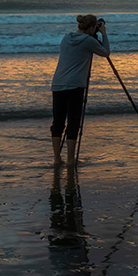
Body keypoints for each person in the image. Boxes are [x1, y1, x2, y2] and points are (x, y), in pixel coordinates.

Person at [51, 14, 111, 164]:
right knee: (73, 122)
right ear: (91, 28)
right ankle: (71, 159)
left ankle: (57, 158)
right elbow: (105, 52)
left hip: (57, 83)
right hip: (75, 85)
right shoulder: (89, 41)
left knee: (58, 122)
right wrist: (103, 34)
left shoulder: (66, 38)